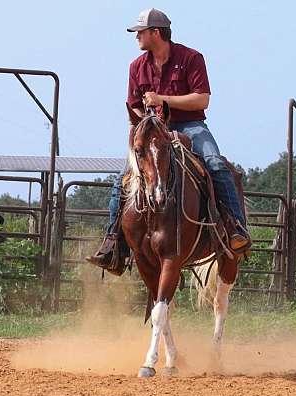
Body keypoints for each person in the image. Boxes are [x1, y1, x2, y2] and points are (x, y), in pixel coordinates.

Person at [86, 8, 251, 268]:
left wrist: (163, 100)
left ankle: (234, 228)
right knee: (123, 179)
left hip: (191, 125)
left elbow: (202, 99)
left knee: (216, 164)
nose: (136, 37)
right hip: (154, 131)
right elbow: (133, 104)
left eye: (140, 32)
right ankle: (113, 241)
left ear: (156, 33)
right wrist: (148, 122)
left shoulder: (191, 58)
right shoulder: (136, 66)